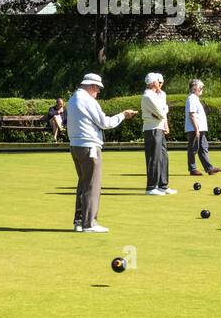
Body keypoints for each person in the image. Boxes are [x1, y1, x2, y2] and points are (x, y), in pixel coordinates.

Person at [67, 73, 137, 233]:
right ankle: (89, 223)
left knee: (84, 184)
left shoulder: (72, 99)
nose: (98, 92)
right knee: (92, 185)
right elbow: (105, 123)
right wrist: (123, 115)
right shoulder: (88, 100)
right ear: (91, 86)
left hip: (76, 146)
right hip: (89, 146)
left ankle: (79, 221)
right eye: (97, 88)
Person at [141, 73, 174, 195]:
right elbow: (161, 112)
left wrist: (163, 110)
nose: (160, 84)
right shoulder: (148, 96)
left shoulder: (157, 95)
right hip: (152, 129)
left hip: (158, 127)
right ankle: (151, 187)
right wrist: (163, 109)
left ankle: (163, 185)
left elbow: (163, 110)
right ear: (154, 82)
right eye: (158, 81)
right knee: (153, 158)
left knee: (163, 157)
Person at [185, 79, 220, 176]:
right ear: (194, 88)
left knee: (203, 148)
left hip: (200, 129)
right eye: (200, 87)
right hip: (194, 129)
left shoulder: (195, 99)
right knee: (193, 148)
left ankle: (209, 168)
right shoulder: (191, 99)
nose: (202, 89)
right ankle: (192, 169)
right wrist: (196, 129)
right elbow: (192, 115)